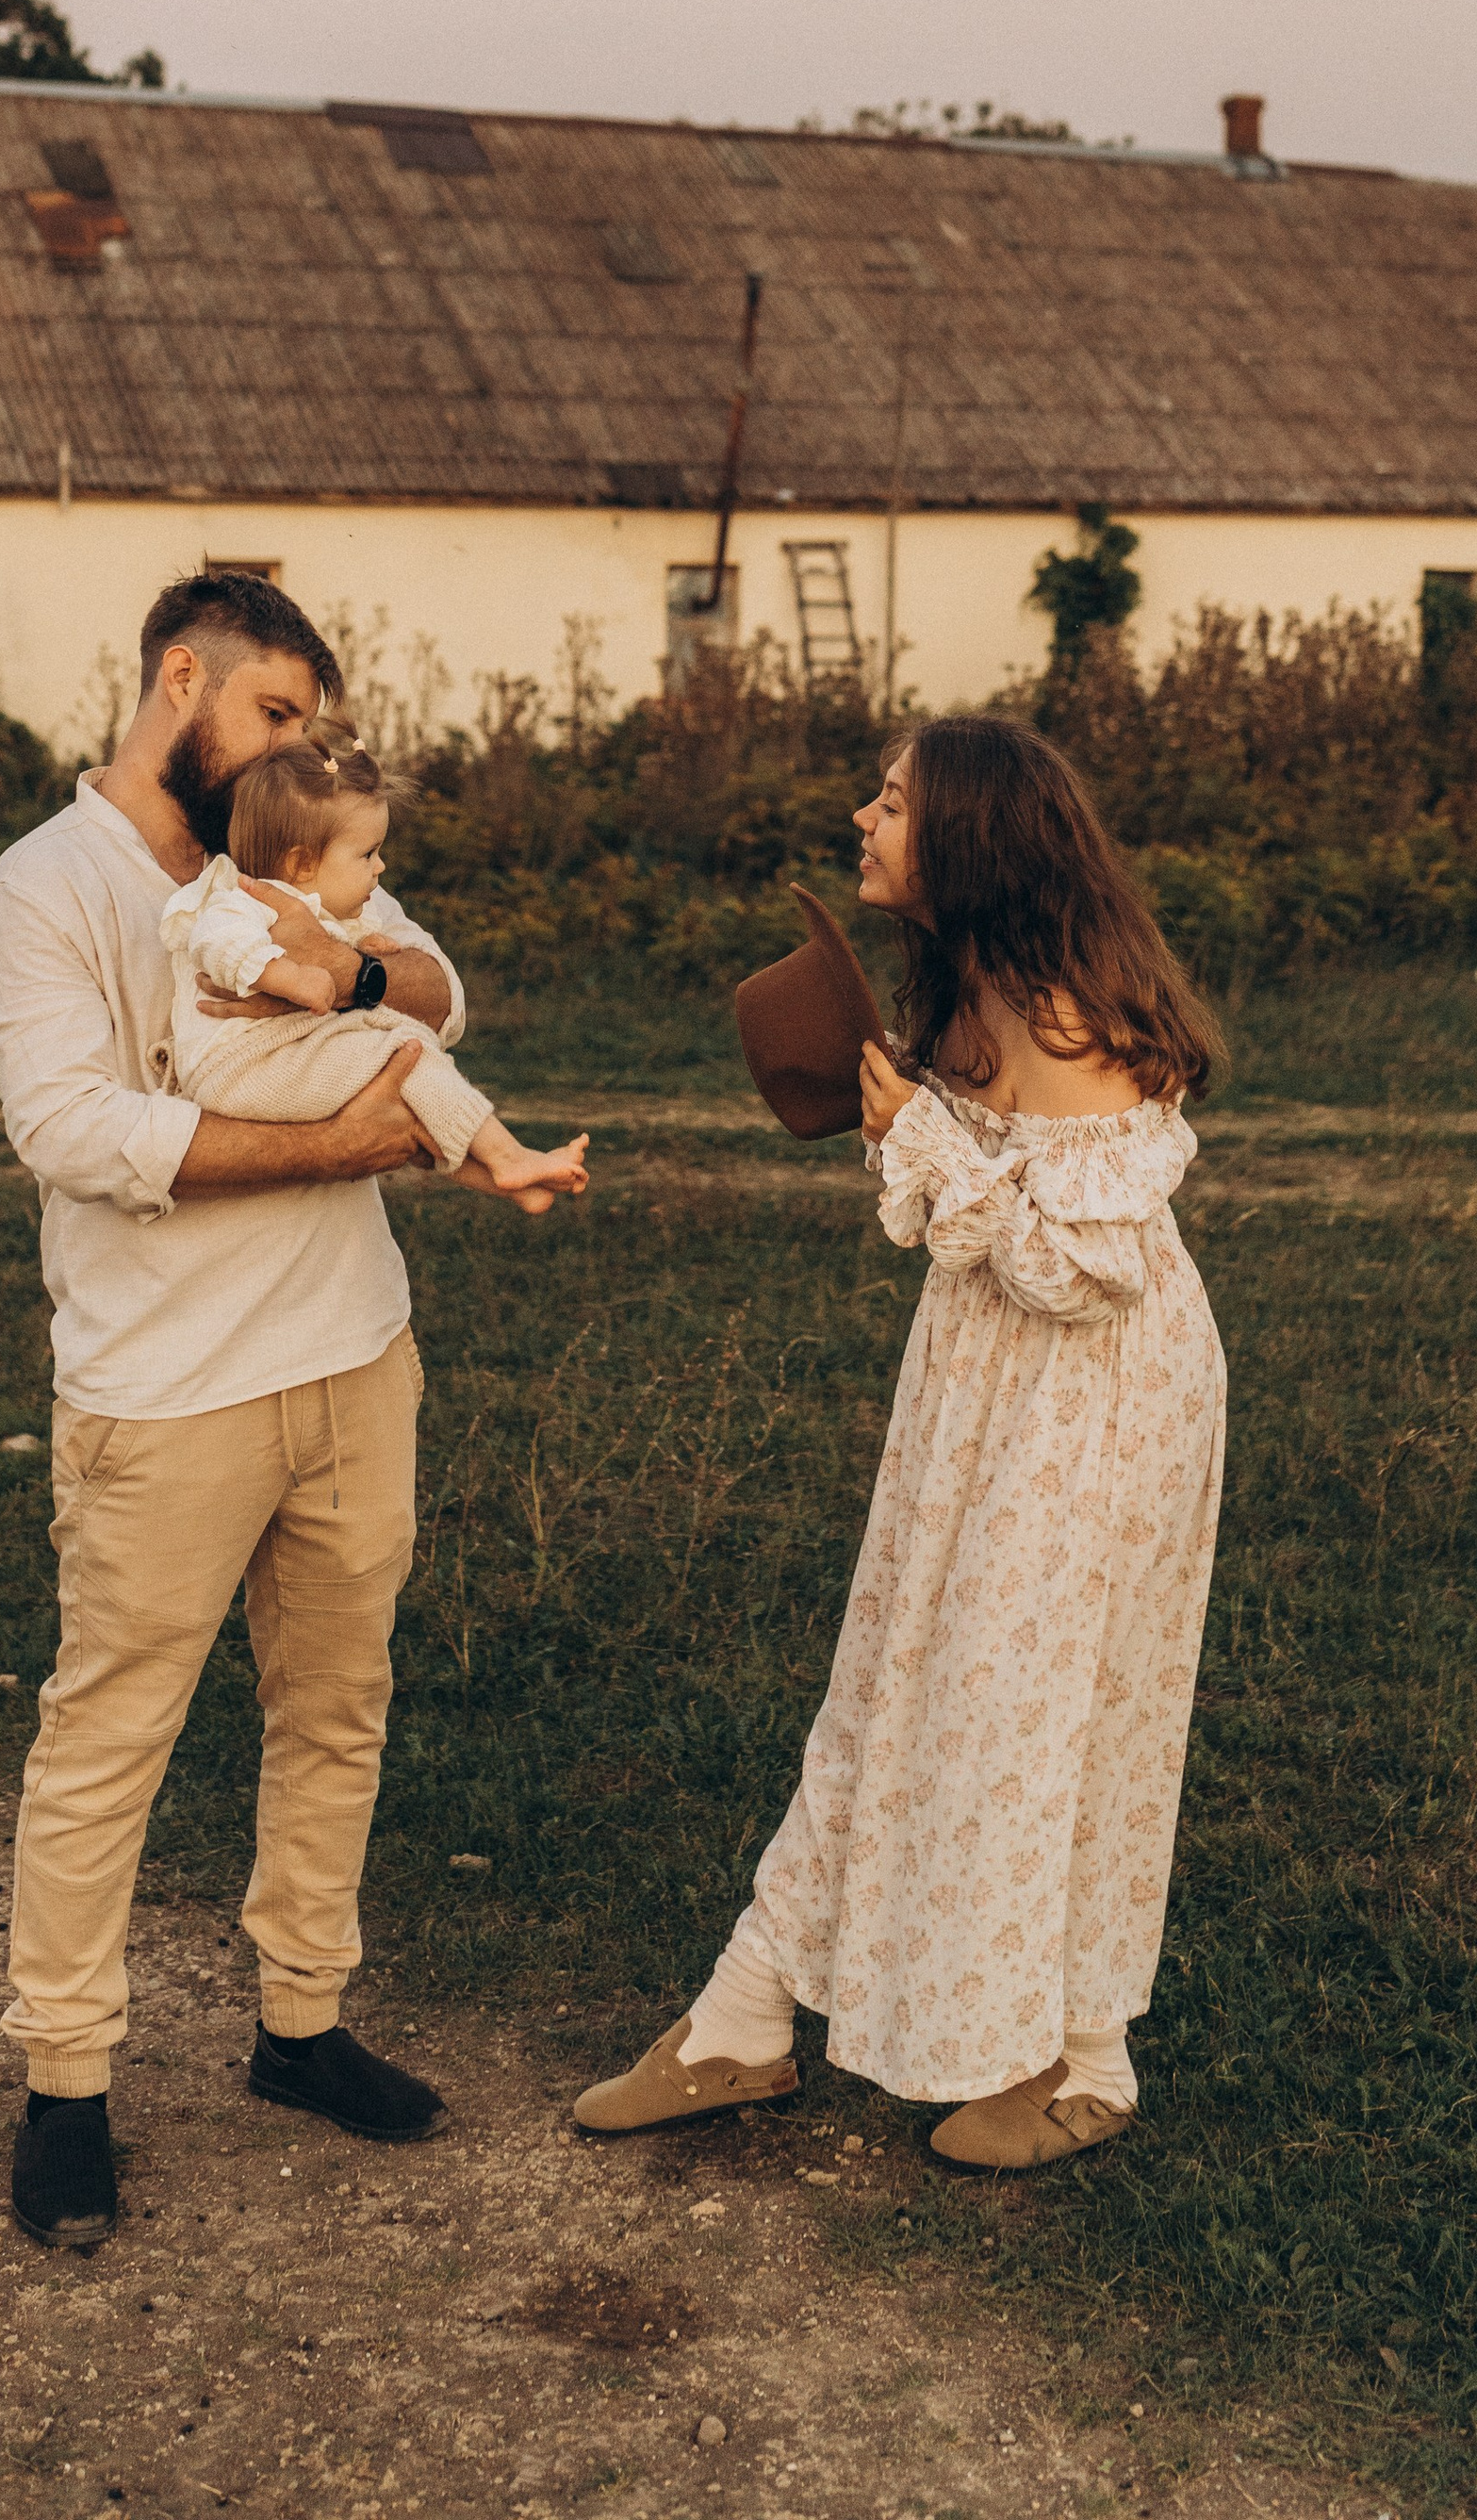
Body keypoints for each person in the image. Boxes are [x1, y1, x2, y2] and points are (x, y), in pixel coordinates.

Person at [573, 714, 1227, 2172]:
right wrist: (913, 1128)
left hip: (1094, 1402)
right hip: (996, 1378)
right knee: (900, 1672)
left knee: (1054, 1701)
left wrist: (928, 1150)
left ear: (974, 836)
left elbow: (1087, 1269)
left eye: (891, 801)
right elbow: (998, 1214)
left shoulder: (1062, 1008)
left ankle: (1086, 2057)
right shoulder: (979, 985)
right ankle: (745, 2018)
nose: (862, 817)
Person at [0, 571, 484, 2250]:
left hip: (351, 1356)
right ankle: (63, 2086)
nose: (293, 748)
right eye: (270, 713)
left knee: (336, 1709)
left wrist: (363, 985)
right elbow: (78, 1134)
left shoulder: (286, 858)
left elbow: (442, 995)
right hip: (167, 1392)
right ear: (177, 678)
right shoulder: (44, 889)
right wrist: (343, 1142)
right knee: (109, 1736)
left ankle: (303, 2026)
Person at [162, 726, 590, 1210]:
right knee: (404, 1055)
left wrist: (364, 944)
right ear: (302, 863)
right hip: (239, 1069)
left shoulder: (327, 908)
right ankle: (509, 1157)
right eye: (367, 854)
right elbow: (217, 942)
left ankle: (504, 1178)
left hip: (276, 1057)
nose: (380, 867)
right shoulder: (242, 897)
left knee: (406, 1085)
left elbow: (382, 963)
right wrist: (289, 977)